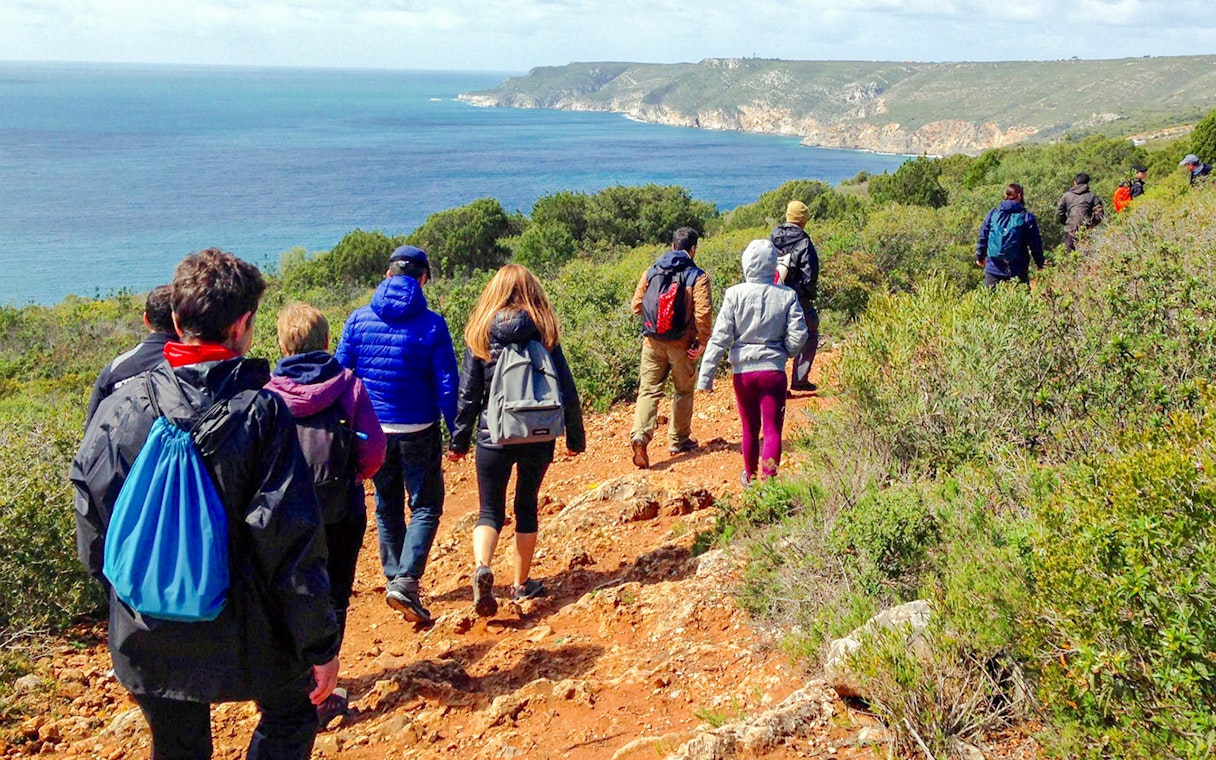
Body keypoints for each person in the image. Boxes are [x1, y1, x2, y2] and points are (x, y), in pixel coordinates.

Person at [71, 248, 340, 760]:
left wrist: (129, 593)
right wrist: (320, 645)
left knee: (178, 745)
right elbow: (290, 542)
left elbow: (91, 513)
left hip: (147, 630)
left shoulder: (121, 405)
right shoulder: (262, 413)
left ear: (175, 319)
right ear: (242, 325)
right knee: (290, 716)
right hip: (250, 630)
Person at [265, 302, 386, 724]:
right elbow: (374, 452)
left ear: (282, 343)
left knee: (284, 592)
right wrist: (354, 476)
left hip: (283, 516)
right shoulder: (348, 385)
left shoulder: (266, 394)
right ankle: (324, 691)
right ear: (327, 341)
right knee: (333, 595)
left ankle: (289, 686)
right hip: (340, 509)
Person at [448, 264, 585, 617]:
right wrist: (575, 436)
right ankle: (521, 584)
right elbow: (566, 389)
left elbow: (468, 395)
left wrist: (459, 442)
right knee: (526, 505)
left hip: (494, 435)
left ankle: (482, 567)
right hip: (539, 433)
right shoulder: (545, 332)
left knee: (489, 510)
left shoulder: (480, 334)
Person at [335, 245, 458, 626]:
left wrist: (343, 427)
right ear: (422, 280)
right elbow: (447, 383)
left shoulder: (357, 320)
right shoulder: (433, 324)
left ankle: (395, 578)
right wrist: (457, 431)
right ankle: (405, 580)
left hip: (372, 430)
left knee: (386, 504)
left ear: (387, 275)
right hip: (419, 428)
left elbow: (341, 374)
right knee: (425, 504)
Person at [696, 240, 808, 486]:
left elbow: (720, 337)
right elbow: (800, 335)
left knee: (749, 428)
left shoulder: (734, 294)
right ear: (773, 265)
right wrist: (784, 352)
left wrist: (706, 377)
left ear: (746, 263)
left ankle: (750, 476)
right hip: (773, 372)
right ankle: (769, 485)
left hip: (743, 373)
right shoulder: (787, 295)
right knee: (772, 430)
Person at [629, 227, 713, 469]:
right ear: (693, 249)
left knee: (648, 391)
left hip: (652, 343)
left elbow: (636, 305)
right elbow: (703, 314)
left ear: (672, 245)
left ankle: (640, 436)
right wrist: (702, 342)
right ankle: (679, 440)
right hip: (682, 345)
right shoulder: (697, 276)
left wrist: (656, 322)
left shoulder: (652, 270)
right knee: (683, 391)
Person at [85, 284, 179, 425]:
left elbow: (92, 433)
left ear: (146, 320)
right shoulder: (192, 366)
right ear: (179, 321)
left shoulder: (115, 369)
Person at [769, 200, 820, 393]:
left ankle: (778, 386)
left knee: (775, 337)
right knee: (810, 333)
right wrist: (808, 295)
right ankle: (799, 379)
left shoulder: (773, 236)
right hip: (797, 297)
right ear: (803, 220)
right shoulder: (804, 241)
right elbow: (810, 274)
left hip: (773, 294)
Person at [976, 183, 1046, 288]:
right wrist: (1040, 264)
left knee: (989, 300)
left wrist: (980, 257)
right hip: (1018, 268)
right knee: (1022, 300)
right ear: (1019, 195)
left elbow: (983, 236)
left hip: (994, 267)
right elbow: (1035, 244)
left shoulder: (993, 213)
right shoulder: (1026, 217)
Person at [1055, 172, 1104, 253]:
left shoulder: (1066, 195)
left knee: (1070, 259)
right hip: (1086, 232)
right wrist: (1091, 224)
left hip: (1070, 232)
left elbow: (1059, 213)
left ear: (1075, 182)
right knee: (1087, 257)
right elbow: (1099, 214)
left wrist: (1067, 223)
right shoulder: (1092, 196)